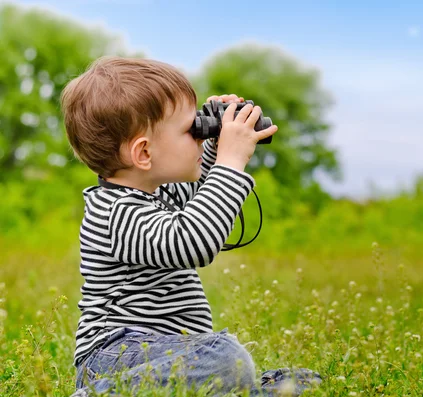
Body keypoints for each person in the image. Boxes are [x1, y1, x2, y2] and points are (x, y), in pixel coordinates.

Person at [61, 56, 321, 396]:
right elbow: (192, 240)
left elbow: (202, 196)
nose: (199, 136)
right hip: (114, 358)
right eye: (191, 130)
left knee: (298, 380)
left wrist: (215, 142)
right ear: (143, 154)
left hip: (163, 354)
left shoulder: (157, 192)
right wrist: (231, 160)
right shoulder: (115, 213)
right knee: (227, 359)